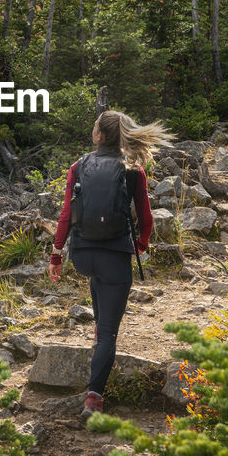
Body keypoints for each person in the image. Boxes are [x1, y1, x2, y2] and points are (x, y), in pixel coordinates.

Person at [49, 109, 171, 419]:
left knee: (97, 281)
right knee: (108, 335)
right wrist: (138, 247)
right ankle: (94, 400)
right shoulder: (133, 169)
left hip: (82, 257)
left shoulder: (79, 166)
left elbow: (66, 215)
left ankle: (96, 338)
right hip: (115, 257)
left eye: (94, 127)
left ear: (100, 136)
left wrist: (56, 255)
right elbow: (146, 219)